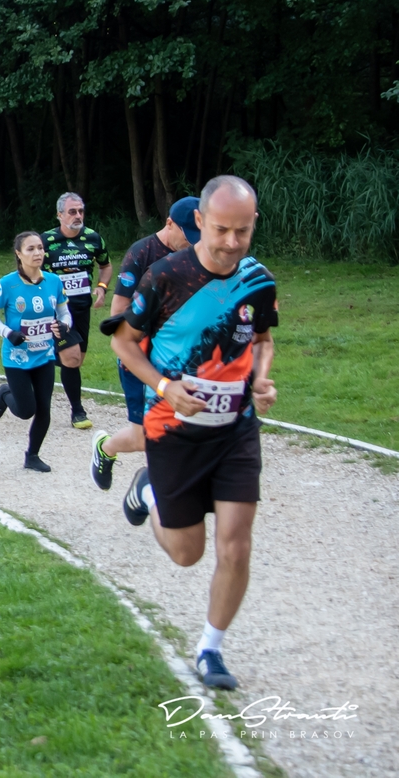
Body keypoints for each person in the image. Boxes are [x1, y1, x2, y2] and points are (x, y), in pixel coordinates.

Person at [111, 176, 277, 691]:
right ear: (200, 221)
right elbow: (123, 343)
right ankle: (148, 490)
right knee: (187, 554)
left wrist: (261, 378)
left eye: (242, 231)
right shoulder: (164, 276)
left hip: (235, 430)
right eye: (222, 229)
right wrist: (164, 385)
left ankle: (210, 649)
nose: (231, 242)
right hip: (173, 430)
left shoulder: (258, 279)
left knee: (236, 546)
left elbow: (263, 338)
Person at [91, 197, 201, 489]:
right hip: (139, 357)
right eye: (188, 236)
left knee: (179, 430)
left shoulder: (197, 256)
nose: (192, 243)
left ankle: (161, 493)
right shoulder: (142, 252)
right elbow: (118, 312)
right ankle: (106, 448)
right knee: (143, 436)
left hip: (180, 358)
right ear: (169, 223)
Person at [0, 232, 73, 472]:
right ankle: (5, 393)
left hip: (45, 355)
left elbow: (64, 313)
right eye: (30, 249)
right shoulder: (7, 284)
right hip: (17, 358)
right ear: (19, 254)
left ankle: (32, 456)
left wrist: (64, 325)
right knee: (26, 411)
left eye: (40, 248)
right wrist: (8, 333)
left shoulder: (54, 281)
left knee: (44, 408)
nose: (37, 253)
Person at [42, 193, 113, 430]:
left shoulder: (93, 238)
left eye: (81, 211)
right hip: (56, 310)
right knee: (71, 357)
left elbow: (106, 265)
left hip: (82, 309)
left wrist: (102, 287)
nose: (78, 216)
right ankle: (78, 411)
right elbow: (29, 270)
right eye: (72, 211)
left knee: (75, 360)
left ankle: (22, 379)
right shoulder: (46, 240)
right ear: (59, 214)